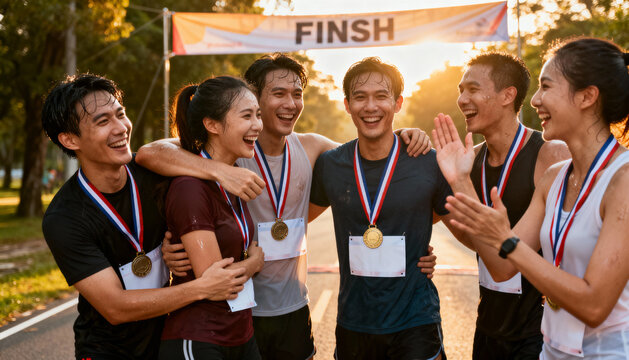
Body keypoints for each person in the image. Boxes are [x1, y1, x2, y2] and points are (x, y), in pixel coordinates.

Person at [137, 53, 435, 360]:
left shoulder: (313, 147)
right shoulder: (230, 149)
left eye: (297, 94)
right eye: (278, 94)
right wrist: (220, 171)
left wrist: (402, 135)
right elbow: (149, 153)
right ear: (252, 98)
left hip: (293, 308)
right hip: (243, 310)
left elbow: (370, 160)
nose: (290, 104)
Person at [437, 37, 629, 359]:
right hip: (551, 351)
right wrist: (459, 180)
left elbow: (594, 306)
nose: (535, 99)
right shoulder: (555, 177)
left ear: (587, 96)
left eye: (546, 87)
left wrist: (507, 241)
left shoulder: (622, 180)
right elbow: (500, 267)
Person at [41, 73, 248, 360]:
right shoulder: (64, 217)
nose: (121, 128)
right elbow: (116, 307)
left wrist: (219, 171)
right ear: (70, 139)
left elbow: (176, 147)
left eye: (120, 114)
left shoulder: (156, 171)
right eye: (103, 121)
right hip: (108, 350)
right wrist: (202, 288)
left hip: (168, 338)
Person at [308, 57, 466, 360]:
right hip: (355, 322)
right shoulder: (331, 165)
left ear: (397, 103)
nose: (370, 106)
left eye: (381, 96)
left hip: (416, 321)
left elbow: (465, 232)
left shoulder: (426, 161)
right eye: (360, 97)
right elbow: (296, 221)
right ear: (346, 104)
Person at [433, 52, 569, 359]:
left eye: (472, 89)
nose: (462, 99)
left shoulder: (551, 155)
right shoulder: (470, 158)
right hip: (489, 327)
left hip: (541, 332)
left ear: (508, 95)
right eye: (460, 90)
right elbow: (477, 241)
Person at [158, 76, 266, 359]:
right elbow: (216, 283)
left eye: (258, 114)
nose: (258, 124)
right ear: (212, 125)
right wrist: (255, 262)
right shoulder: (190, 188)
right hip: (199, 339)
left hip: (240, 333)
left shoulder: (234, 175)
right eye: (246, 115)